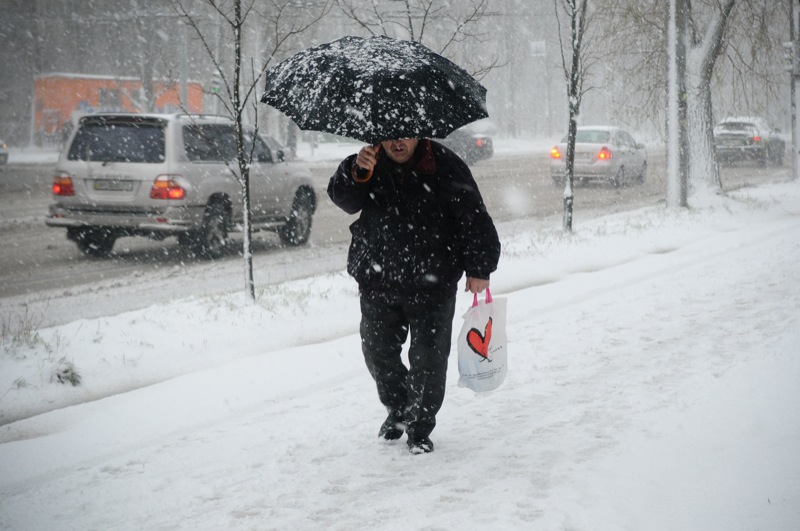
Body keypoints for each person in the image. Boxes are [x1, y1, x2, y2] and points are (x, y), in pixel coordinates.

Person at [327, 137, 501, 454]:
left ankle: (419, 426)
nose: (398, 142)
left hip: (432, 282)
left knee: (429, 360)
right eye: (391, 135)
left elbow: (473, 215)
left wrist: (480, 266)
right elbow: (344, 200)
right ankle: (398, 410)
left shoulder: (444, 164)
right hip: (379, 279)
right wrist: (357, 172)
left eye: (406, 134)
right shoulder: (367, 162)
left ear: (419, 133)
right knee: (378, 353)